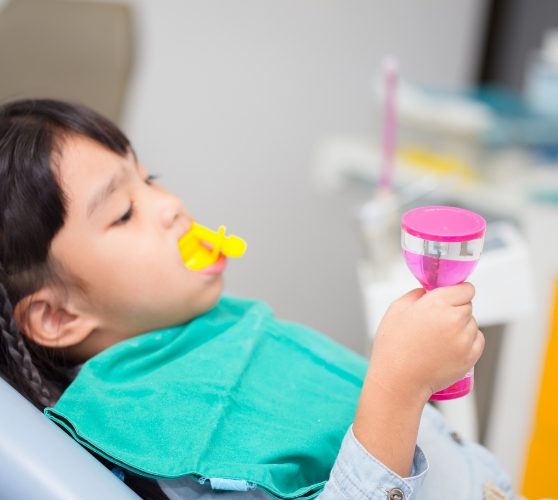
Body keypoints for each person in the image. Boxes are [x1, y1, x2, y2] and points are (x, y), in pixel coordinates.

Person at [0, 99, 515, 500]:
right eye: (123, 212)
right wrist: (399, 387)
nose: (172, 205)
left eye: (150, 178)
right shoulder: (164, 437)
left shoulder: (202, 328)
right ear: (57, 315)